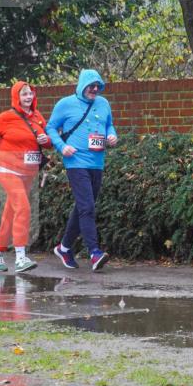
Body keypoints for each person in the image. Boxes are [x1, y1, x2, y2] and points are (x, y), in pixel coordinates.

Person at [46, 69, 117, 271]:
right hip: (75, 161)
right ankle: (94, 253)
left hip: (97, 162)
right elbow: (50, 128)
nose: (95, 89)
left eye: (98, 86)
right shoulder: (65, 104)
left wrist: (112, 135)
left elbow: (109, 125)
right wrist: (62, 147)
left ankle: (64, 247)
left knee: (83, 206)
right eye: (91, 85)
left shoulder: (103, 104)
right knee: (87, 207)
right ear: (82, 85)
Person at [0, 81, 51, 273]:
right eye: (24, 94)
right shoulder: (6, 117)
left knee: (10, 214)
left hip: (27, 172)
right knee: (24, 208)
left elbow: (48, 142)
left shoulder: (38, 117)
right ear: (16, 97)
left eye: (30, 94)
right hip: (7, 169)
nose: (28, 98)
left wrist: (46, 140)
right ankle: (20, 258)